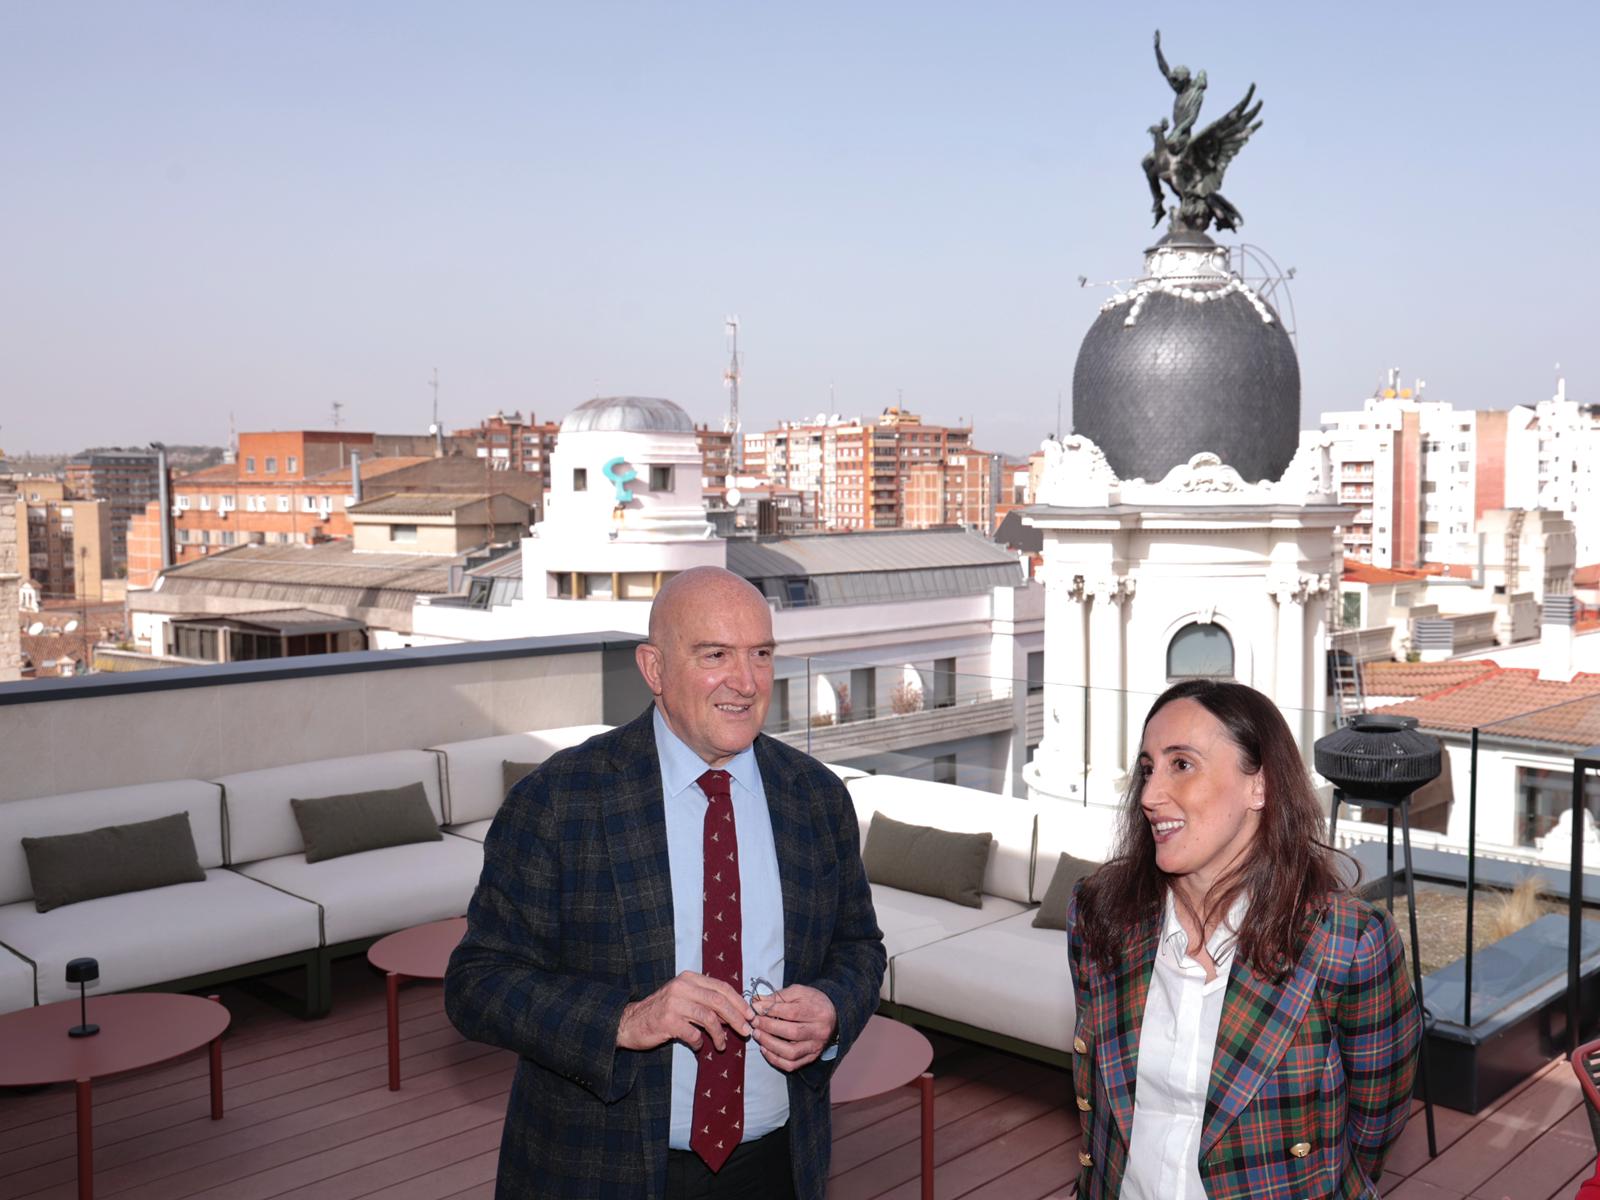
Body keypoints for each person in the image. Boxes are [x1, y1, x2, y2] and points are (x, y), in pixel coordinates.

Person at [445, 565, 886, 1199]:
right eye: (715, 655)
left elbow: (859, 947)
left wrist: (833, 1009)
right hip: (596, 1171)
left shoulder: (816, 797)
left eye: (761, 654)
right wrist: (625, 1020)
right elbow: (477, 983)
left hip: (779, 1166)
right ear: (654, 669)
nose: (746, 682)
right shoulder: (559, 799)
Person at [1066, 679, 1421, 1199]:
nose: (1149, 795)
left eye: (1181, 764)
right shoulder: (1100, 913)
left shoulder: (1348, 943)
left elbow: (1374, 1128)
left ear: (1260, 786)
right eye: (1147, 769)